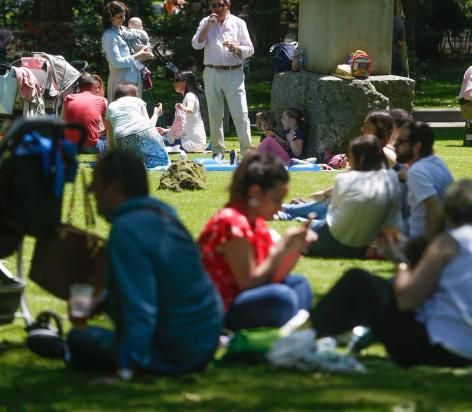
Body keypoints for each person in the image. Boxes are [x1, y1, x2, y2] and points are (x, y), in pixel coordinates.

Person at [67, 150, 223, 377]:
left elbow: (141, 308)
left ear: (113, 186)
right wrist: (100, 304)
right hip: (204, 339)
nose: (93, 194)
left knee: (78, 339)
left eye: (96, 186)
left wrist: (127, 370)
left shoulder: (127, 230)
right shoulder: (164, 216)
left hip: (177, 351)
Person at [310, 178, 472, 368]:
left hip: (439, 350)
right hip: (461, 349)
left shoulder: (448, 243)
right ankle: (331, 333)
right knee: (383, 286)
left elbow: (407, 299)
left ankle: (304, 335)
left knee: (359, 282)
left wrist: (399, 260)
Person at [198, 151, 314, 330]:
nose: (281, 206)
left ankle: (297, 334)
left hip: (243, 297)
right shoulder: (231, 222)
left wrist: (294, 248)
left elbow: (270, 274)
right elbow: (249, 283)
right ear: (255, 193)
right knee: (281, 297)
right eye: (276, 199)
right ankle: (294, 336)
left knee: (299, 283)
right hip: (218, 309)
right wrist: (282, 246)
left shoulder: (256, 223)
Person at [305, 135, 403, 258]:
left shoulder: (344, 178)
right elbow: (390, 217)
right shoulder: (391, 177)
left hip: (332, 239)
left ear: (354, 158)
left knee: (308, 229)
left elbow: (332, 213)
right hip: (361, 247)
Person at [192, 0, 254, 155]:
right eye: (213, 5)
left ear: (228, 6)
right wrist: (208, 27)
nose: (217, 8)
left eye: (220, 5)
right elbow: (196, 44)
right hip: (212, 72)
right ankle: (218, 150)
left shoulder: (238, 23)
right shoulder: (206, 22)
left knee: (240, 113)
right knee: (214, 114)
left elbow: (250, 49)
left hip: (234, 73)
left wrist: (237, 48)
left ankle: (246, 150)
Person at [395, 120, 454, 239]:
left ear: (416, 147)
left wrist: (425, 246)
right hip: (447, 234)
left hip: (417, 237)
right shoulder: (436, 162)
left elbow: (436, 210)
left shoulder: (417, 172)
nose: (395, 145)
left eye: (400, 142)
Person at [105, 83, 170, 169]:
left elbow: (111, 140)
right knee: (161, 163)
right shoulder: (138, 101)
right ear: (133, 94)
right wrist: (156, 113)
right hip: (145, 132)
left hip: (122, 138)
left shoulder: (110, 107)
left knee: (132, 166)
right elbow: (150, 125)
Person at [101, 0, 152, 100]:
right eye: (119, 16)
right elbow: (117, 62)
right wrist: (138, 55)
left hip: (134, 79)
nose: (123, 19)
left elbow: (141, 41)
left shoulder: (125, 30)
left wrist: (145, 50)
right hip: (121, 82)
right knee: (123, 113)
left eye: (124, 16)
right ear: (110, 17)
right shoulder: (109, 36)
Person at [62, 72, 107, 152]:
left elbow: (62, 122)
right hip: (92, 145)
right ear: (92, 86)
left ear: (78, 86)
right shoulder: (102, 101)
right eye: (95, 87)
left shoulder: (68, 98)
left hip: (71, 144)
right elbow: (108, 127)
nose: (97, 90)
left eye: (99, 88)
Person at [171, 71, 207, 152]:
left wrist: (182, 106)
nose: (174, 83)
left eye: (177, 80)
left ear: (185, 82)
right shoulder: (190, 95)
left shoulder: (189, 95)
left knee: (161, 140)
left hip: (191, 143)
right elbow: (183, 126)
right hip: (195, 143)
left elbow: (190, 109)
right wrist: (165, 130)